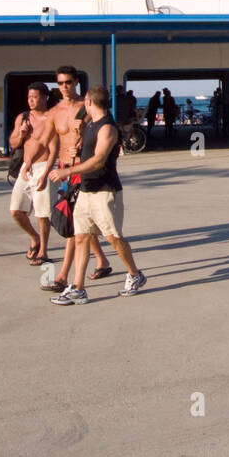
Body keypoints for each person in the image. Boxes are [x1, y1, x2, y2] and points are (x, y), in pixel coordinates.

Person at [46, 86, 147, 305]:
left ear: (89, 102)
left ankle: (134, 274)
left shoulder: (107, 128)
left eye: (84, 102)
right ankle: (78, 288)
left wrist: (68, 171)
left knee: (112, 237)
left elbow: (100, 159)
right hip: (86, 189)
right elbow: (89, 153)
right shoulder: (89, 124)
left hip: (105, 190)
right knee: (81, 236)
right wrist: (76, 153)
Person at [42, 65, 112, 292]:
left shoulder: (87, 107)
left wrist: (82, 133)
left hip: (81, 170)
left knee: (73, 223)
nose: (64, 87)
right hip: (63, 170)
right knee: (81, 221)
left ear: (76, 83)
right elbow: (48, 143)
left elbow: (104, 129)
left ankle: (62, 276)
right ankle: (102, 261)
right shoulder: (54, 112)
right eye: (60, 83)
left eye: (68, 82)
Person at [8, 82, 59, 266]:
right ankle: (34, 237)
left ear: (45, 97)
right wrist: (21, 134)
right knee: (16, 210)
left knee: (42, 213)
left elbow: (53, 149)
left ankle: (43, 250)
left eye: (35, 97)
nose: (31, 100)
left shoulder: (51, 118)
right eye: (29, 97)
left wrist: (46, 174)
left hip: (44, 166)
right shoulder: (23, 117)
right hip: (26, 168)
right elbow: (13, 143)